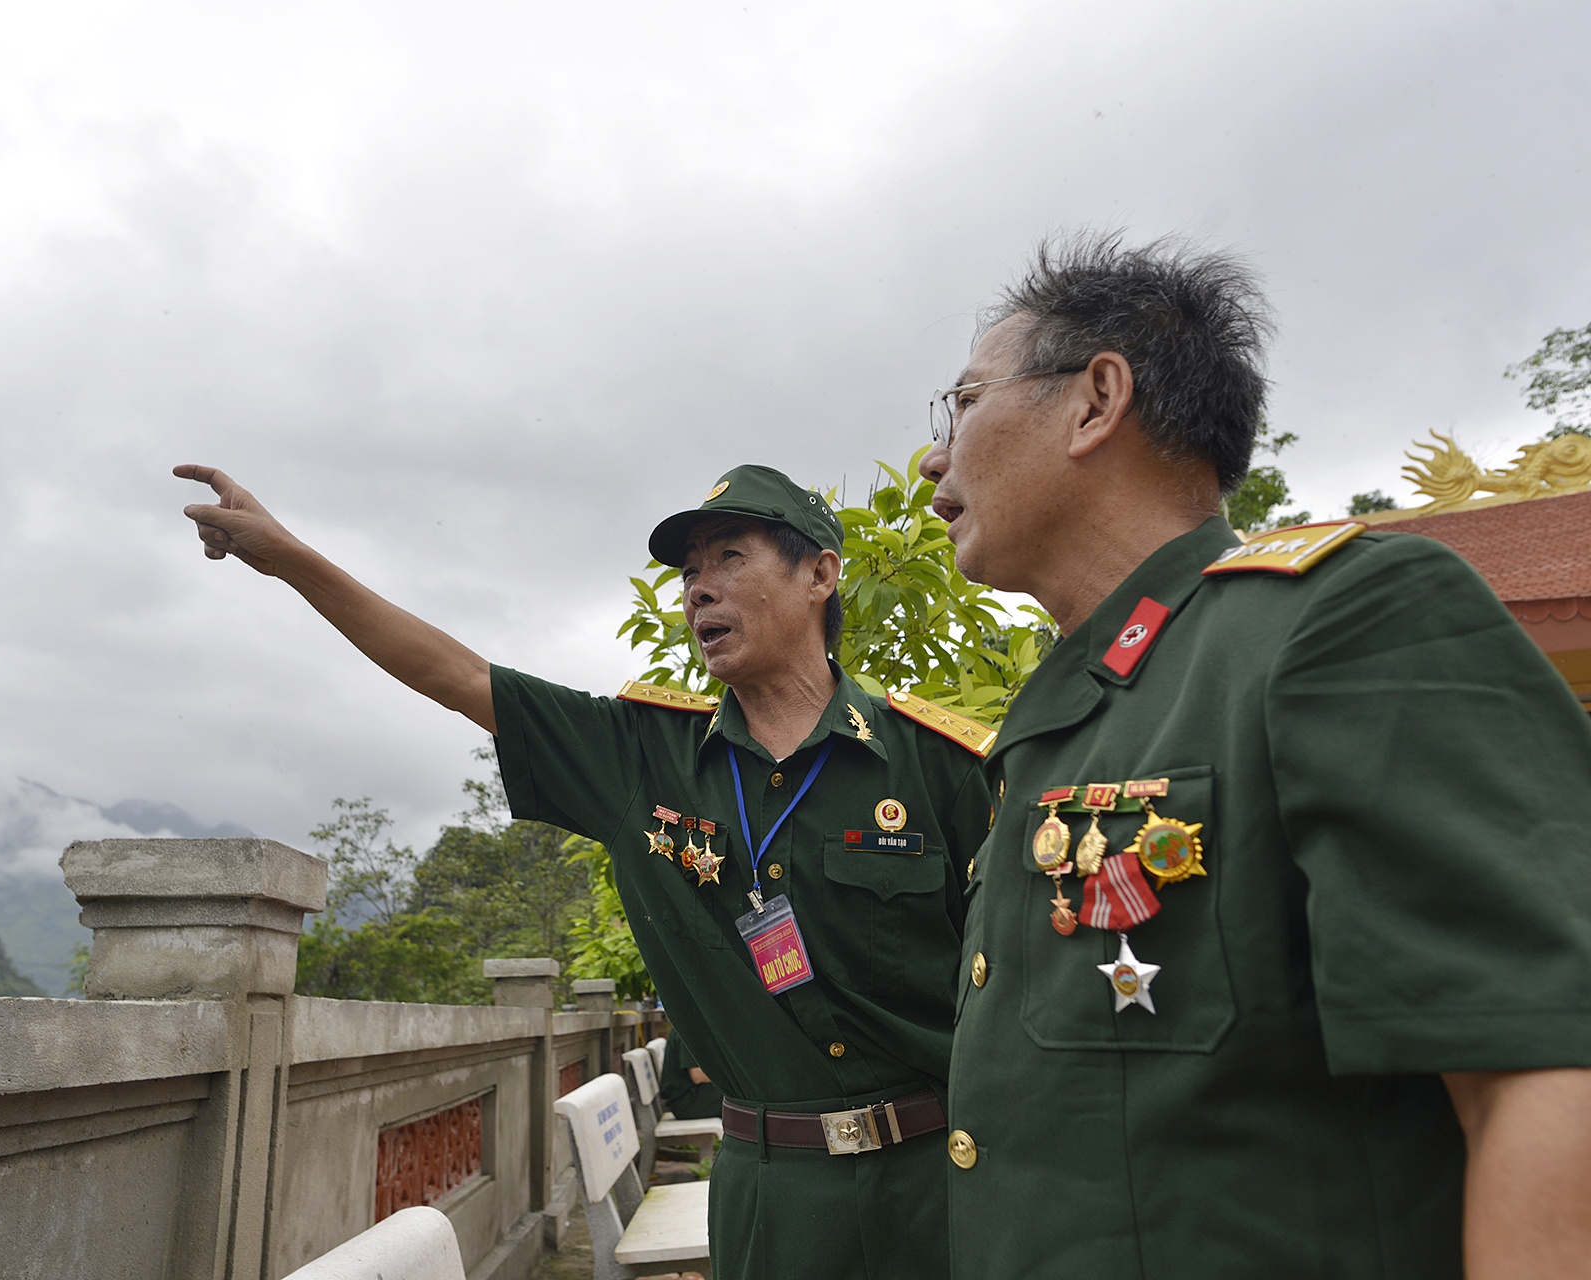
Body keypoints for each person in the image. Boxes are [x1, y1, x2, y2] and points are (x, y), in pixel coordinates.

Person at [918, 232, 1591, 1280]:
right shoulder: (1070, 712)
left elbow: (1546, 1072)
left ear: (1096, 400)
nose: (934, 458)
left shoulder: (1338, 623)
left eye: (962, 404)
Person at [178, 461, 995, 1279]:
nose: (698, 590)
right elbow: (460, 677)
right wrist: (289, 558)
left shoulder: (940, 766)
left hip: (943, 1185)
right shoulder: (638, 754)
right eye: (688, 572)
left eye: (729, 557)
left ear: (820, 574)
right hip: (771, 1199)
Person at [658, 1029, 725, 1122]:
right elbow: (697, 1075)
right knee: (738, 1097)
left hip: (692, 1094)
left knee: (737, 1094)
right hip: (686, 1102)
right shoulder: (688, 1030)